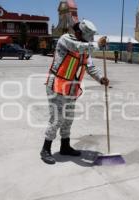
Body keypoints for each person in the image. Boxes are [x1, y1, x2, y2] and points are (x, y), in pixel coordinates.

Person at [41, 20, 110, 165]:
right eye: (87, 38)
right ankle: (45, 149)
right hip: (57, 85)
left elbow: (90, 67)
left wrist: (100, 78)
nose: (88, 41)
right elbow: (78, 47)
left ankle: (65, 146)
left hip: (71, 87)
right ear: (78, 33)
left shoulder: (85, 48)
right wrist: (97, 44)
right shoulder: (66, 40)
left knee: (68, 118)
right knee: (57, 118)